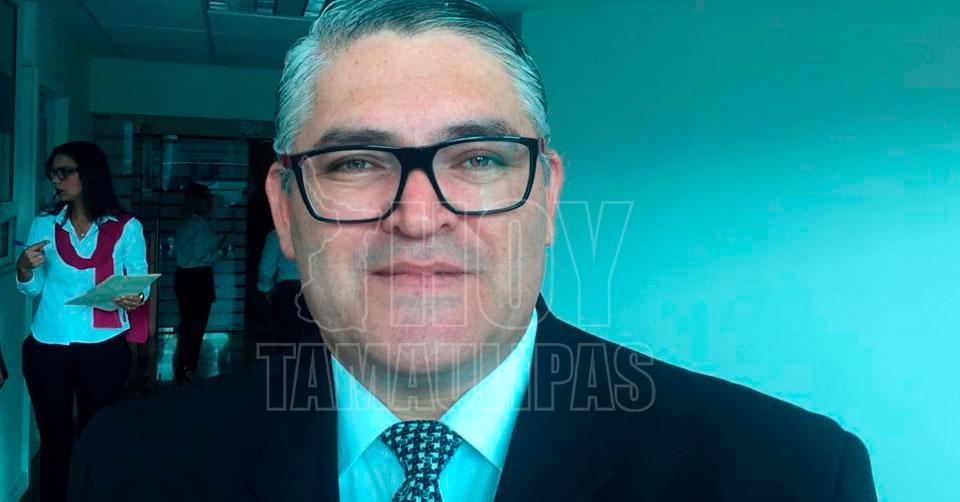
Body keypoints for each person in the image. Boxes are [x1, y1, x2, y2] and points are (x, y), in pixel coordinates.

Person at [68, 1, 877, 501]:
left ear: (546, 196)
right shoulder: (132, 466)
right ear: (286, 207)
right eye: (356, 163)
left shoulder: (791, 477)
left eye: (479, 159)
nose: (419, 217)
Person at [15, 141, 148, 502]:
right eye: (53, 173)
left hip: (103, 347)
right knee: (54, 438)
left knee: (97, 435)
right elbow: (32, 288)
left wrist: (135, 296)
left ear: (88, 174)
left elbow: (139, 280)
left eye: (63, 172)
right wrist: (24, 268)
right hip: (48, 345)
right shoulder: (44, 224)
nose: (55, 180)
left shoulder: (125, 227)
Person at [172, 182, 229, 384]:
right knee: (196, 327)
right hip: (198, 279)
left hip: (183, 277)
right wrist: (222, 251)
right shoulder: (201, 224)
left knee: (187, 325)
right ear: (200, 202)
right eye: (208, 199)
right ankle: (189, 368)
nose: (211, 203)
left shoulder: (183, 222)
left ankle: (183, 367)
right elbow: (203, 256)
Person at [257, 228, 311, 346]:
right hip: (314, 289)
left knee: (286, 338)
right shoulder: (317, 232)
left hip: (288, 290)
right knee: (313, 339)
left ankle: (288, 357)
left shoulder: (278, 234)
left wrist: (267, 288)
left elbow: (266, 268)